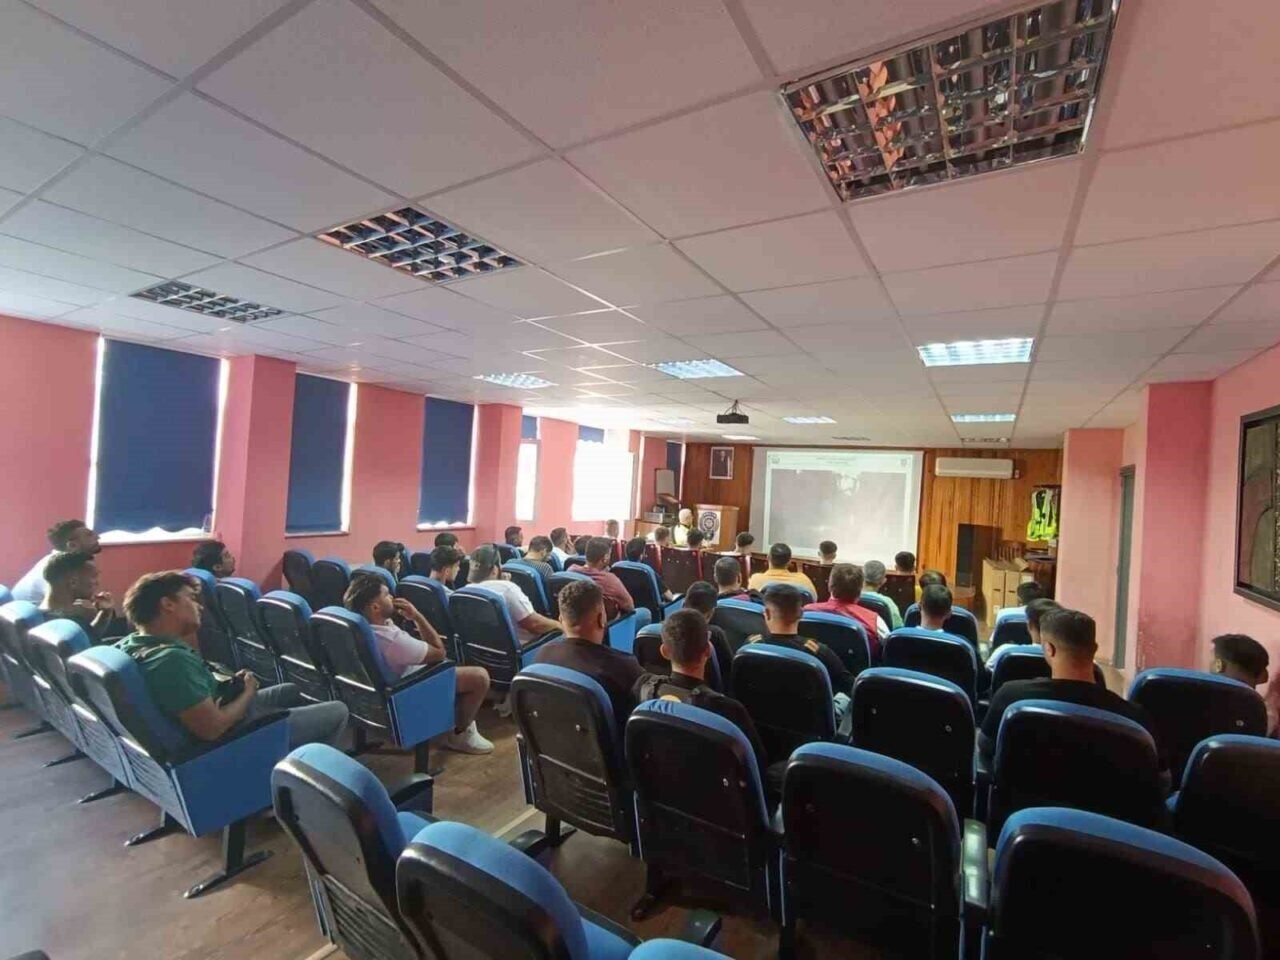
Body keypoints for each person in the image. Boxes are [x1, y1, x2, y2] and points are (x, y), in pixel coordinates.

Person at [115, 571, 348, 749]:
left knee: (289, 690)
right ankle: (293, 771)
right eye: (191, 599)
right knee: (337, 711)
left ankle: (281, 751)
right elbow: (213, 729)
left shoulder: (132, 644)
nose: (199, 606)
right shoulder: (171, 661)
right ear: (168, 604)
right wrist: (248, 691)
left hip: (217, 706)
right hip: (230, 739)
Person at [978, 607, 1162, 766]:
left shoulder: (1011, 695)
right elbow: (1161, 779)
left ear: (1049, 649)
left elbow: (987, 746)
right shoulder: (1135, 718)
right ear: (1094, 648)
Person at [343, 574, 492, 754]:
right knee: (479, 677)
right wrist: (417, 616)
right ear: (375, 607)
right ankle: (459, 735)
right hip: (408, 690)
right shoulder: (393, 641)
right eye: (387, 595)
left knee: (455, 669)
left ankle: (448, 721)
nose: (392, 597)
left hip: (374, 700)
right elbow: (439, 652)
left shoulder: (355, 629)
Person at [633, 609, 769, 784]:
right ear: (707, 651)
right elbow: (757, 767)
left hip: (659, 791)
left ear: (665, 651)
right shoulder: (728, 710)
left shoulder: (642, 687)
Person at [534, 578, 641, 728]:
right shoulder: (624, 667)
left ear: (561, 619)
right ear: (601, 618)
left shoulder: (542, 655)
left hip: (556, 739)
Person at [747, 584, 852, 718]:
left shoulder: (751, 646)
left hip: (760, 721)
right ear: (801, 613)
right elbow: (850, 686)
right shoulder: (819, 653)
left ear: (766, 614)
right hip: (812, 725)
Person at [468, 545, 561, 645]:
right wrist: (560, 626)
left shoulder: (466, 590)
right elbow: (535, 624)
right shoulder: (507, 589)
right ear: (495, 569)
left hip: (488, 648)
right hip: (527, 647)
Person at [804, 563, 888, 656]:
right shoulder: (875, 622)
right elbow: (889, 650)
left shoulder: (806, 612)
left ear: (829, 585)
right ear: (860, 590)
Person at [13, 519, 100, 604]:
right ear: (72, 545)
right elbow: (60, 606)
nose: (97, 537)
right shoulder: (57, 568)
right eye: (89, 535)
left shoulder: (64, 563)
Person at [40, 550, 116, 643]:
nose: (97, 583)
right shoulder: (66, 623)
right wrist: (85, 619)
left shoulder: (41, 616)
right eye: (94, 576)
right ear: (73, 582)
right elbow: (87, 646)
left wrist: (105, 612)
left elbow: (87, 638)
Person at [577, 537, 646, 623]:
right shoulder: (610, 580)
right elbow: (630, 607)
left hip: (579, 620)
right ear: (605, 557)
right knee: (645, 613)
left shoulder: (571, 570)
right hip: (609, 626)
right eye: (610, 554)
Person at [679, 580, 734, 674]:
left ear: (683, 605)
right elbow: (730, 670)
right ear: (711, 613)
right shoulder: (715, 635)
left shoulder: (666, 630)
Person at [747, 543, 818, 597]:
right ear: (790, 562)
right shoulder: (803, 580)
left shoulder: (756, 579)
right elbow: (813, 599)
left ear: (768, 558)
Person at [861, 560, 903, 629]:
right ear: (883, 581)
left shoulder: (851, 597)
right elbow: (898, 628)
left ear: (862, 577)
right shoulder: (888, 603)